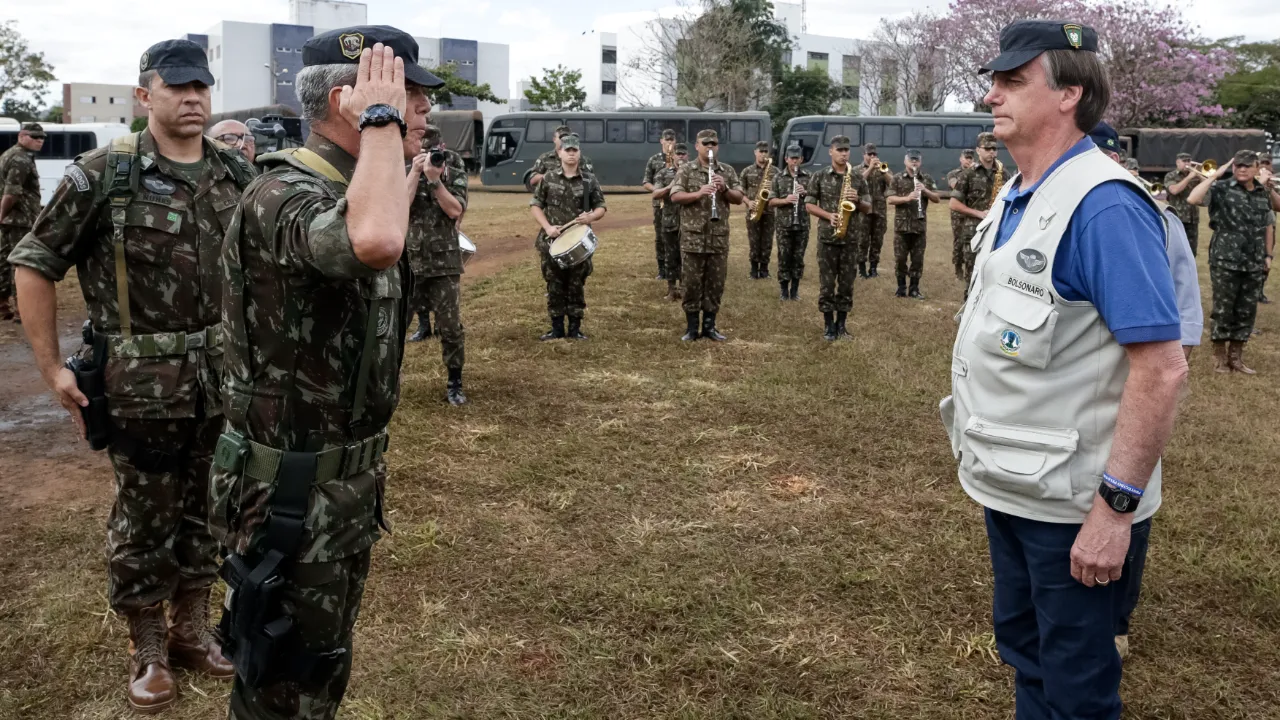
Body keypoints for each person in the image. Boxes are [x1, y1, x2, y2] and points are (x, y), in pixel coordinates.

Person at [941, 20, 1189, 720]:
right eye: (994, 80)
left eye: (1013, 81)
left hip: (1075, 508)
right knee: (1026, 652)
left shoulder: (1104, 206)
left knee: (1077, 684)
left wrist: (1115, 510)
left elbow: (1162, 369)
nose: (992, 94)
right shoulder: (1018, 191)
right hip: (1015, 487)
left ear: (1068, 95)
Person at [9, 39, 254, 713]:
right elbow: (34, 263)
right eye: (176, 87)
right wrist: (52, 366)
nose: (194, 97)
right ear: (145, 97)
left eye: (201, 86)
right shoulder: (103, 176)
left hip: (223, 380)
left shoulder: (235, 175)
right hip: (140, 386)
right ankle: (147, 644)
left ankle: (192, 628)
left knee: (209, 507)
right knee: (146, 517)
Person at [208, 28, 439, 719]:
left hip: (335, 489)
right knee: (282, 681)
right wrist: (382, 121)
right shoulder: (281, 193)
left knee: (319, 670)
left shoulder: (346, 186)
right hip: (287, 498)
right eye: (410, 95)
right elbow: (373, 241)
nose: (422, 110)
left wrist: (389, 150)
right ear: (349, 101)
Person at [1088, 120, 1202, 660]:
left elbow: (1183, 306)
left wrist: (1170, 374)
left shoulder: (1157, 219)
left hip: (1139, 384)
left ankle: (1118, 619)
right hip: (1082, 391)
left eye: (1113, 159)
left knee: (1133, 492)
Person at [1188, 149, 1275, 373]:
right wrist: (1214, 176)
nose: (1242, 169)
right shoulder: (1221, 188)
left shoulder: (1261, 191)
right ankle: (1219, 357)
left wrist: (1268, 255)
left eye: (1247, 165)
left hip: (1253, 260)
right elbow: (1193, 198)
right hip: (1225, 260)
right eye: (1238, 165)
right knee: (1223, 309)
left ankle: (1236, 356)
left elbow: (1271, 217)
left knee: (1246, 310)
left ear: (1257, 167)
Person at [406, 124, 468, 405]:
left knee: (451, 326)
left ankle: (455, 382)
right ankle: (386, 381)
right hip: (406, 260)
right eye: (424, 149)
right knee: (394, 326)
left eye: (434, 150)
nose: (430, 154)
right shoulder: (400, 162)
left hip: (444, 261)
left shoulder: (451, 163)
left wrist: (435, 180)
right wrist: (414, 172)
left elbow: (456, 210)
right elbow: (397, 206)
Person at [530, 134, 607, 341]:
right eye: (567, 150)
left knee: (576, 284)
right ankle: (556, 328)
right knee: (554, 284)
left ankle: (574, 328)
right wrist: (547, 227)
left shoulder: (589, 179)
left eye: (575, 150)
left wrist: (590, 216)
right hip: (552, 242)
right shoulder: (548, 178)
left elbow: (601, 207)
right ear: (560, 153)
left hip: (578, 242)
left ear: (579, 153)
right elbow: (536, 205)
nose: (571, 154)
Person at [670, 128, 743, 342]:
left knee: (715, 284)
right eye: (705, 144)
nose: (710, 147)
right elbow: (675, 196)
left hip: (718, 238)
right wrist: (699, 193)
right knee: (691, 284)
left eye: (713, 144)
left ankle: (710, 326)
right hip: (693, 239)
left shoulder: (726, 170)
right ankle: (692, 328)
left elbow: (739, 198)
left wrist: (725, 189)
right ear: (697, 146)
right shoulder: (686, 170)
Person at [805, 135, 870, 340]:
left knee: (846, 283)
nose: (843, 154)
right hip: (827, 238)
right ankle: (828, 326)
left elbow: (868, 208)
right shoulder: (820, 176)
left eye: (846, 150)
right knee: (826, 283)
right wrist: (828, 216)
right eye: (839, 150)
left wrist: (857, 200)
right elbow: (808, 204)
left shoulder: (858, 177)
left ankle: (841, 325)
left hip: (850, 239)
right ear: (830, 152)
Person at [0, 121, 44, 322]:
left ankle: (3, 306)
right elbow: (11, 193)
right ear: (22, 136)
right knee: (21, 263)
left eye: (42, 137)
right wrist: (1, 215)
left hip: (13, 219)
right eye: (35, 137)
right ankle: (21, 310)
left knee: (5, 260)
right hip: (20, 219)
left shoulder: (10, 154)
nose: (39, 141)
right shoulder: (20, 159)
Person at [950, 134, 1003, 286]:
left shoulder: (1002, 174)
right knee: (972, 275)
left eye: (994, 148)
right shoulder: (968, 175)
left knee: (993, 275)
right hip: (973, 231)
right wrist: (978, 213)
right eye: (987, 148)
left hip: (995, 232)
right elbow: (953, 203)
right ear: (978, 150)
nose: (991, 152)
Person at [887, 150, 940, 299]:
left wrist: (925, 190)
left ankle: (915, 288)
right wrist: (907, 198)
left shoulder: (926, 178)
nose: (914, 163)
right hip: (901, 227)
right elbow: (890, 199)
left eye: (916, 160)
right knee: (900, 259)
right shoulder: (897, 178)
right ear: (905, 161)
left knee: (917, 260)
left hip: (919, 226)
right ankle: (901, 287)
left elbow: (937, 198)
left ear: (920, 162)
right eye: (911, 160)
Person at [769, 143, 812, 301]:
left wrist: (805, 193)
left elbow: (816, 200)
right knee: (784, 256)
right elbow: (771, 201)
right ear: (786, 159)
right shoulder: (778, 177)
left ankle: (795, 290)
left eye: (797, 158)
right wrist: (785, 200)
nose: (794, 161)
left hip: (802, 224)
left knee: (798, 257)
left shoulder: (808, 176)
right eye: (791, 158)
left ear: (801, 159)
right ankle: (783, 290)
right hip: (784, 225)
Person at [651, 142, 689, 300]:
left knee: (687, 256)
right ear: (672, 156)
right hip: (670, 220)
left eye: (683, 154)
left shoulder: (693, 173)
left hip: (689, 222)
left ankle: (685, 288)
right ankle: (672, 289)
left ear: (688, 156)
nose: (680, 156)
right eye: (678, 154)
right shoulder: (662, 174)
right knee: (670, 255)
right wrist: (671, 186)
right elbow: (656, 193)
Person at [642, 128, 678, 280]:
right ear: (661, 141)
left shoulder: (680, 159)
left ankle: (678, 267)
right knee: (660, 236)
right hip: (660, 204)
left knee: (677, 235)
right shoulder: (654, 159)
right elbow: (646, 182)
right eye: (667, 140)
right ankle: (662, 269)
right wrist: (659, 190)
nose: (669, 142)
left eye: (672, 140)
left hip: (677, 204)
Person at [740, 140, 776, 279]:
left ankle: (765, 270)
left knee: (767, 241)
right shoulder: (747, 171)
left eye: (765, 151)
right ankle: (754, 270)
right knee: (754, 241)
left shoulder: (775, 171)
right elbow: (740, 191)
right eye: (760, 151)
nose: (763, 154)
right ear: (755, 152)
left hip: (769, 211)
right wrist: (749, 202)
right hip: (753, 210)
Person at [857, 142, 891, 278]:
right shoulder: (858, 169)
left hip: (879, 210)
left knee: (877, 241)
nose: (872, 156)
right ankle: (861, 268)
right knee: (862, 240)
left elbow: (893, 182)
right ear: (864, 155)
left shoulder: (882, 168)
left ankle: (873, 268)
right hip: (863, 210)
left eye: (874, 154)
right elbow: (858, 182)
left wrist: (884, 171)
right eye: (869, 154)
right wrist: (870, 168)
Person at [1163, 153, 1204, 257]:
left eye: (1188, 161)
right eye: (1184, 161)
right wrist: (1189, 177)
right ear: (1177, 162)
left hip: (1192, 219)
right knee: (1175, 251)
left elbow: (1210, 186)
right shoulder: (1171, 175)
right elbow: (1174, 190)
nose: (1187, 164)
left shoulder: (1195, 176)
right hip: (1177, 217)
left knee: (1191, 251)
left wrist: (1200, 174)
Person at [528, 125, 594, 188]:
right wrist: (551, 177)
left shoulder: (583, 160)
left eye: (567, 137)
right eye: (561, 138)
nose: (564, 140)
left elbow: (591, 182)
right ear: (554, 139)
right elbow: (532, 181)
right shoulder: (545, 158)